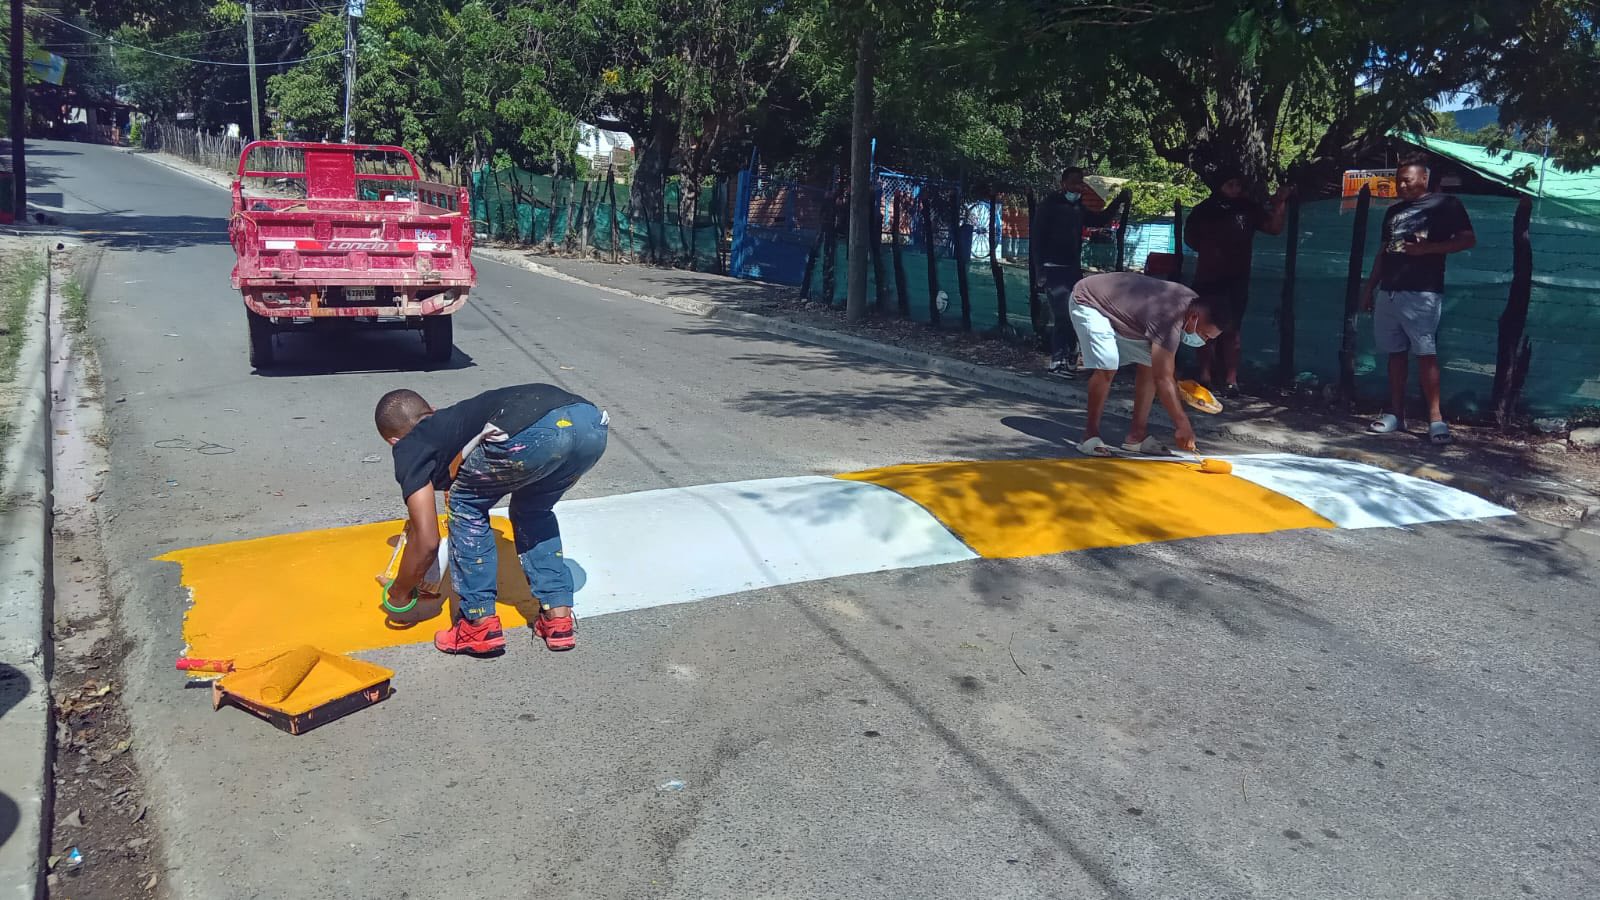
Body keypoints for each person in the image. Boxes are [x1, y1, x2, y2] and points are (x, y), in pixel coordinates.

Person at [375, 384, 609, 655]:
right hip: (589, 424)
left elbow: (427, 538)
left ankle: (479, 624)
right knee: (534, 510)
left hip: (535, 432)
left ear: (393, 441)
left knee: (466, 507)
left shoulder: (409, 444)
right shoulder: (453, 420)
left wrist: (400, 591)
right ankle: (558, 618)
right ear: (432, 411)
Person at [1360, 156, 1475, 444]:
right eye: (1398, 180)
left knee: (1426, 353)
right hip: (1389, 290)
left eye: (1407, 180)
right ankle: (1396, 414)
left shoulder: (1446, 204)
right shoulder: (1394, 212)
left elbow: (1467, 239)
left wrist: (1430, 249)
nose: (1401, 185)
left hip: (1422, 290)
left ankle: (1435, 420)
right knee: (1394, 353)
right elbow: (1383, 251)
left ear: (1423, 179)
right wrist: (1370, 287)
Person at [1068, 271, 1225, 456]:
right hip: (1089, 301)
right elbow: (1163, 378)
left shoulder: (1192, 305)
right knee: (1107, 364)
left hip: (1122, 314)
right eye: (1204, 334)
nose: (1204, 341)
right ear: (1193, 318)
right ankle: (1089, 435)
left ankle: (1137, 436)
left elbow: (1162, 371)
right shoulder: (1169, 317)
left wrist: (1178, 388)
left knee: (1151, 364)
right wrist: (1183, 425)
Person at [1183, 171, 1292, 396]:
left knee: (1232, 330)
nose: (1235, 189)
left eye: (1238, 185)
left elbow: (1274, 228)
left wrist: (1280, 203)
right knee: (1202, 328)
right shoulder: (1204, 210)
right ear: (1220, 185)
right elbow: (1191, 239)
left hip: (1236, 280)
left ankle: (1231, 381)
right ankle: (1205, 376)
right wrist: (1214, 252)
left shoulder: (1247, 208)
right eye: (1229, 183)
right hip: (1207, 278)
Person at [1032, 167, 1114, 376]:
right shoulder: (1049, 206)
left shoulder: (1078, 208)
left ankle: (1070, 358)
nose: (1078, 186)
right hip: (1053, 269)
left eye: (1081, 182)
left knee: (1075, 313)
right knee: (1062, 315)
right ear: (1063, 183)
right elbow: (1037, 239)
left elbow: (1099, 220)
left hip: (1072, 269)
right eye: (1075, 182)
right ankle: (1056, 362)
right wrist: (1039, 270)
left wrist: (1118, 202)